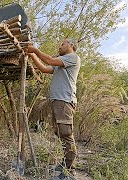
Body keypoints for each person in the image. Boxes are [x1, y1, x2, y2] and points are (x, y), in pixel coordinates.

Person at [25, 39, 80, 179]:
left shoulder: (73, 58)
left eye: (63, 44)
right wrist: (32, 55)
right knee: (60, 133)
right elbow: (44, 69)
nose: (60, 46)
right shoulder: (61, 63)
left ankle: (69, 171)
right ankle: (65, 163)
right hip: (58, 101)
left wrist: (35, 50)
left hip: (65, 101)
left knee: (66, 134)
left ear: (71, 46)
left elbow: (49, 60)